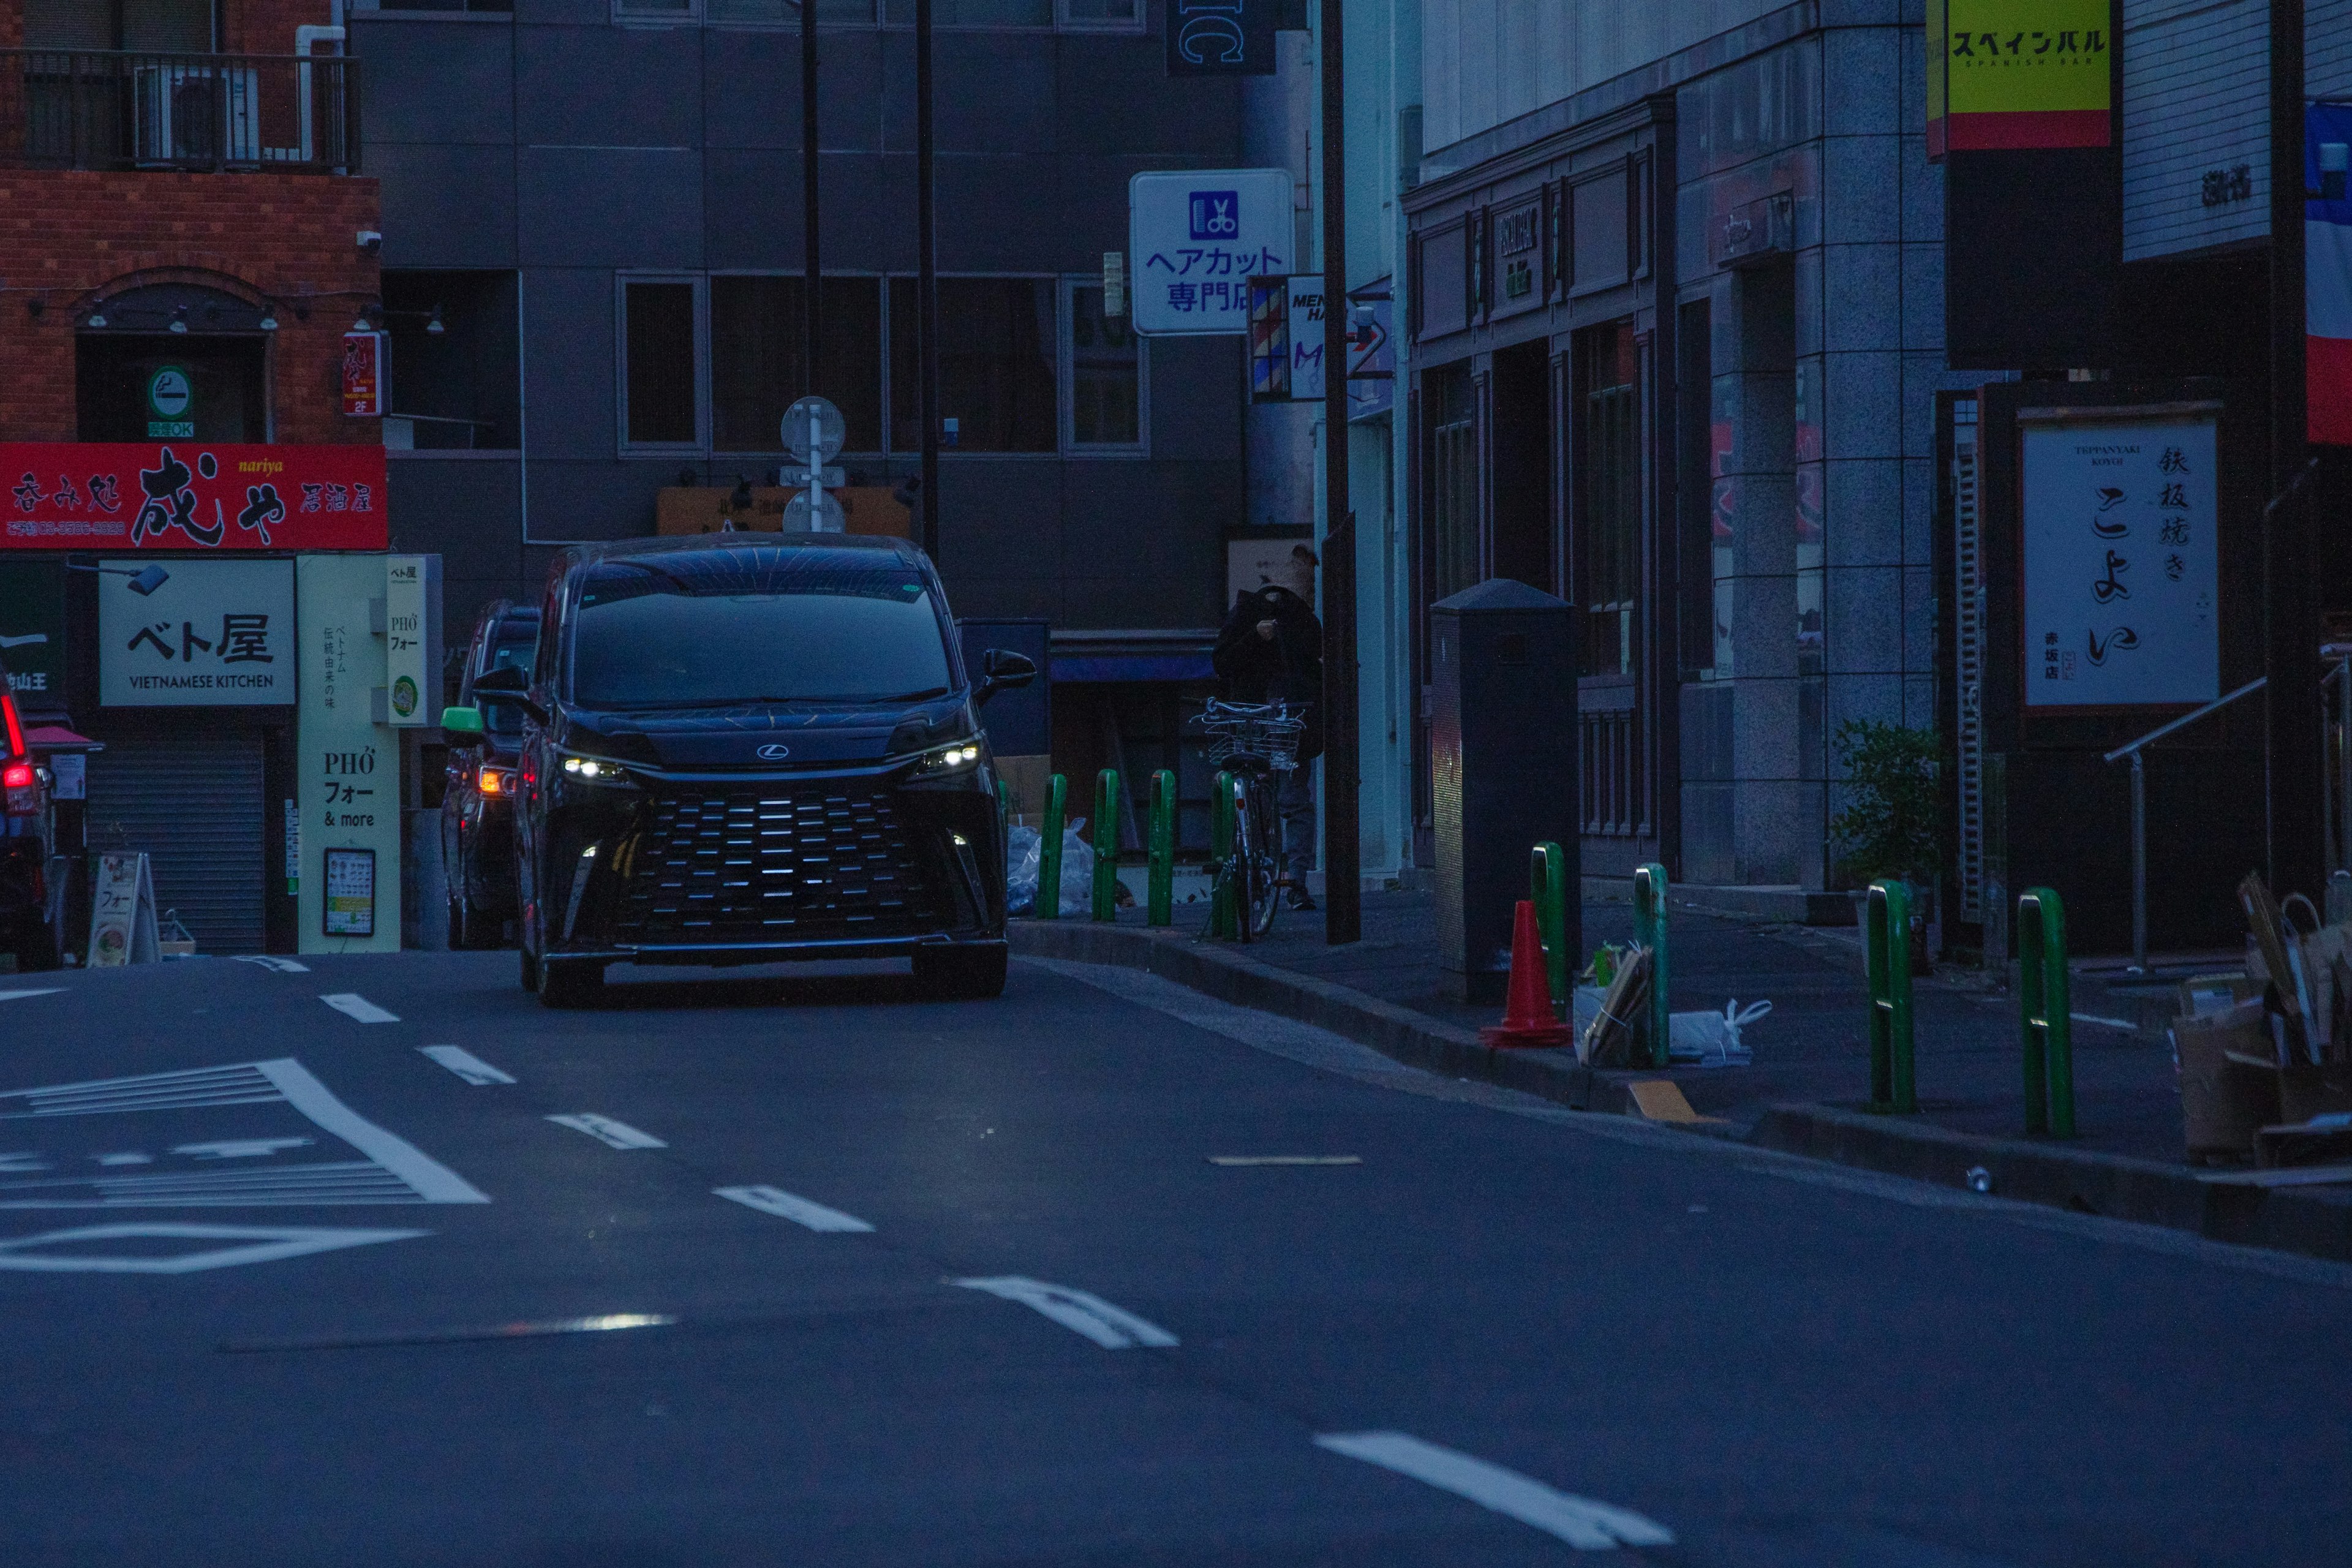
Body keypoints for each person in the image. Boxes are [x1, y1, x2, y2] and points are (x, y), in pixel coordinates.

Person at [1211, 544, 1322, 911]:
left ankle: (1265, 875)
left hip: (1254, 717)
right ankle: (1292, 881)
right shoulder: (1301, 622)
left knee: (1266, 794)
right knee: (1291, 801)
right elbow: (1314, 673)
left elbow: (1223, 662)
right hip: (1285, 720)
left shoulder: (1255, 612)